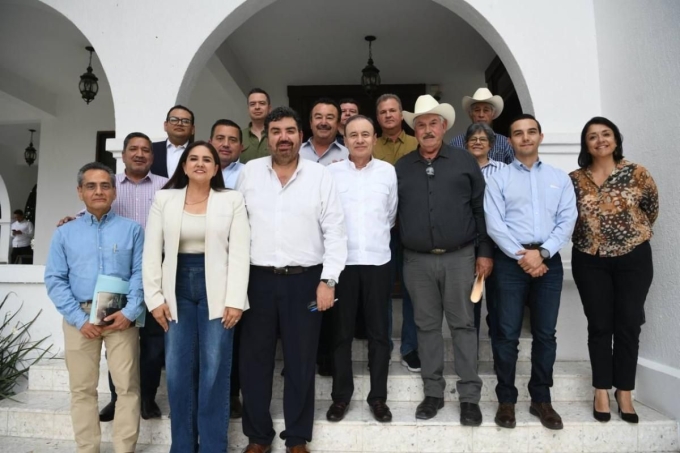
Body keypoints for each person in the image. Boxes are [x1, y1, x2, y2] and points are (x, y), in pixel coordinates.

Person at [237, 106, 347, 453]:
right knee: (254, 362)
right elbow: (236, 228)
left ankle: (297, 438)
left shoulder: (320, 176)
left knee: (301, 361)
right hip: (256, 280)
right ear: (267, 137)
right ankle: (258, 437)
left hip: (306, 281)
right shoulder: (249, 173)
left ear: (301, 136)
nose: (283, 138)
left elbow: (335, 231)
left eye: (289, 131)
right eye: (275, 131)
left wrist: (329, 280)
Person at [143, 141, 250, 452]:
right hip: (175, 287)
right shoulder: (164, 199)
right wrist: (154, 299)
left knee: (214, 369)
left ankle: (213, 446)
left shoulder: (231, 199)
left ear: (216, 168)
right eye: (193, 158)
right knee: (178, 371)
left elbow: (240, 252)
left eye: (207, 159)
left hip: (218, 288)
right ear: (184, 166)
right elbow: (152, 251)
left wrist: (235, 300)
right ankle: (183, 446)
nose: (200, 163)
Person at [397, 95, 491, 425]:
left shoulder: (465, 161)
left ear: (444, 126)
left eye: (433, 123)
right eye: (420, 124)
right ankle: (433, 393)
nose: (427, 129)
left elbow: (480, 209)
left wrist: (484, 253)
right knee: (425, 327)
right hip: (417, 261)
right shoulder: (401, 167)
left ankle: (469, 397)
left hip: (461, 258)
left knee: (464, 325)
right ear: (415, 130)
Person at [484, 114, 577, 431]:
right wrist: (523, 256)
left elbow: (567, 220)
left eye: (531, 132)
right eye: (518, 133)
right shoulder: (498, 178)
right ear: (509, 140)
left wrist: (543, 253)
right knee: (506, 333)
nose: (525, 137)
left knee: (545, 334)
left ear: (540, 136)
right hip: (510, 262)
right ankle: (506, 400)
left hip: (548, 261)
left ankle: (541, 399)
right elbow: (494, 223)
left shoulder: (559, 178)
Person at [45, 162, 145, 453]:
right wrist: (79, 319)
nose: (98, 191)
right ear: (80, 192)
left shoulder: (132, 230)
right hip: (79, 317)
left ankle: (124, 449)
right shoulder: (64, 233)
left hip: (121, 317)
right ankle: (88, 449)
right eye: (91, 186)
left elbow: (140, 273)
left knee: (127, 387)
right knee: (82, 389)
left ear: (114, 191)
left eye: (105, 185)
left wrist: (130, 312)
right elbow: (55, 279)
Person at [570, 117, 658, 424]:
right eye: (592, 136)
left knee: (628, 323)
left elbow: (651, 209)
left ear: (616, 139)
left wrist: (628, 235)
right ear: (586, 145)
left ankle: (625, 391)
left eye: (605, 134)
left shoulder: (637, 173)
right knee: (599, 325)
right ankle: (601, 390)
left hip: (633, 258)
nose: (600, 140)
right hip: (589, 259)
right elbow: (567, 216)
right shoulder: (575, 179)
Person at [326, 115, 397, 423]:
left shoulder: (387, 172)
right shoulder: (331, 173)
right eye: (353, 134)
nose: (359, 140)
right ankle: (341, 397)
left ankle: (378, 397)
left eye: (365, 134)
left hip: (378, 262)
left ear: (374, 138)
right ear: (344, 139)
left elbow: (390, 215)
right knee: (341, 334)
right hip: (343, 264)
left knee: (379, 334)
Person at [98, 132, 169, 423]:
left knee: (153, 341)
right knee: (117, 339)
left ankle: (147, 398)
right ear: (124, 154)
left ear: (153, 156)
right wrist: (72, 219)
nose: (140, 154)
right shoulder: (109, 185)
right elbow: (92, 212)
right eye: (133, 149)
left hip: (157, 273)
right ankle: (117, 399)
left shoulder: (167, 186)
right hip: (117, 274)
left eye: (146, 150)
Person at [299, 97, 349, 376]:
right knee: (301, 307)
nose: (324, 122)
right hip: (302, 243)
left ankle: (327, 358)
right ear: (310, 122)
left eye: (330, 117)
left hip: (332, 242)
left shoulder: (348, 153)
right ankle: (300, 358)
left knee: (331, 305)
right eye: (318, 116)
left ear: (338, 123)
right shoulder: (296, 153)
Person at [373, 93, 421, 373]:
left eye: (393, 110)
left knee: (413, 290)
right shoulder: (370, 145)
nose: (388, 115)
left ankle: (410, 347)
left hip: (413, 228)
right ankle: (383, 346)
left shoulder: (417, 144)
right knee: (381, 291)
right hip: (381, 230)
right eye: (383, 112)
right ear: (378, 117)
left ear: (402, 115)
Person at [463, 122, 506, 342]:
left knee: (499, 300)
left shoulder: (504, 170)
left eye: (483, 139)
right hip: (470, 243)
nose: (478, 143)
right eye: (473, 139)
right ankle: (472, 349)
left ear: (491, 145)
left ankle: (498, 345)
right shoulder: (458, 169)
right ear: (466, 144)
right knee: (472, 299)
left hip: (499, 244)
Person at [449, 88, 514, 165]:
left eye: (486, 110)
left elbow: (512, 169)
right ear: (470, 114)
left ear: (493, 114)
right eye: (477, 110)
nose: (481, 115)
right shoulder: (456, 143)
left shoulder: (504, 143)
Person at [299, 97, 349, 167]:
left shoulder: (348, 155)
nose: (323, 123)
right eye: (318, 117)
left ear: (337, 124)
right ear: (311, 123)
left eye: (329, 118)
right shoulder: (296, 152)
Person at [150, 105, 196, 177]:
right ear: (165, 125)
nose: (179, 124)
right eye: (174, 120)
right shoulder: (150, 149)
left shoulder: (199, 152)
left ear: (192, 129)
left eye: (185, 121)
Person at [210, 119, 245, 190]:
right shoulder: (198, 170)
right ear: (210, 144)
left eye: (232, 140)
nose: (226, 144)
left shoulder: (249, 173)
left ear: (241, 148)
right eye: (220, 138)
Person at [240, 88, 272, 164]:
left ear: (269, 108)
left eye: (262, 103)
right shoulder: (239, 136)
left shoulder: (277, 135)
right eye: (252, 104)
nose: (257, 107)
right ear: (248, 109)